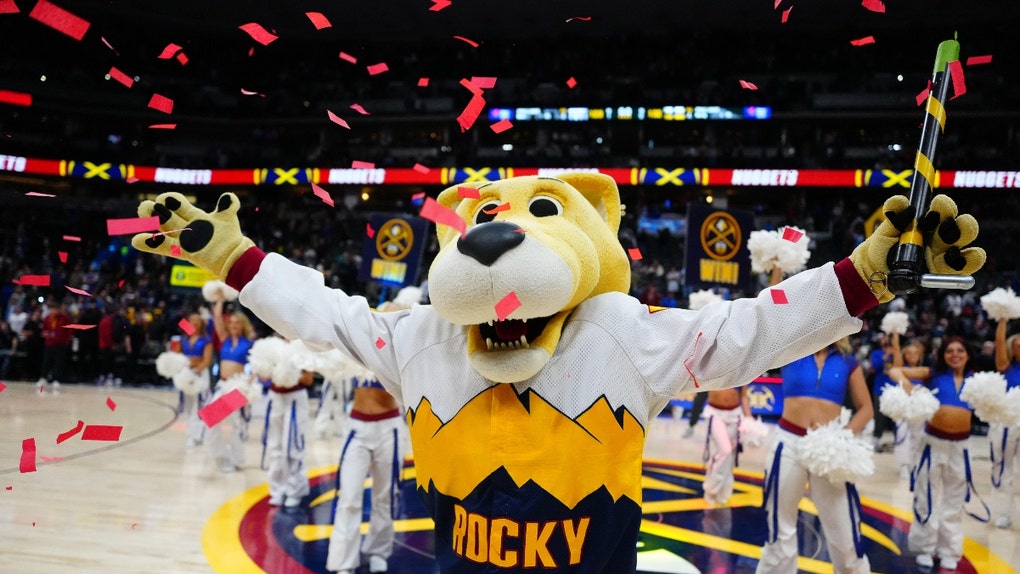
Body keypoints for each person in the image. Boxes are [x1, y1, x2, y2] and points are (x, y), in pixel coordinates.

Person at [132, 180, 983, 573]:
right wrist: (237, 260)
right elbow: (331, 316)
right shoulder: (427, 331)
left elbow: (751, 330)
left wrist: (867, 276)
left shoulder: (620, 331)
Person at [757, 336, 874, 574]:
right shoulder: (790, 349)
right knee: (780, 525)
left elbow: (866, 408)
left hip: (828, 447)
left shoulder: (847, 361)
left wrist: (843, 436)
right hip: (788, 441)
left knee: (843, 526)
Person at [888, 336, 978, 571]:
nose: (955, 354)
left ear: (967, 354)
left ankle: (948, 549)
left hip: (961, 447)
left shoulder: (976, 380)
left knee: (954, 501)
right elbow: (896, 371)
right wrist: (907, 385)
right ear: (944, 354)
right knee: (926, 495)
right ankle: (925, 548)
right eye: (950, 351)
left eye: (960, 350)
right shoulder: (933, 373)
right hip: (932, 443)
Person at [326, 368, 405, 574]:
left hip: (390, 426)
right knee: (349, 496)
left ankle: (377, 551)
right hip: (356, 426)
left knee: (385, 495)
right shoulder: (357, 340)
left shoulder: (397, 340)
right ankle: (344, 561)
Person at [257, 338, 315, 508]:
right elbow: (262, 374)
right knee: (275, 446)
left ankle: (294, 490)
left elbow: (308, 379)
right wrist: (270, 374)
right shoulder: (272, 346)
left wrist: (288, 376)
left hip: (295, 398)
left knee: (292, 446)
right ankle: (277, 489)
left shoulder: (304, 347)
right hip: (275, 397)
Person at [206, 295, 256, 473]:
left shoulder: (249, 343)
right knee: (210, 419)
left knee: (238, 425)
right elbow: (217, 318)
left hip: (238, 387)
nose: (233, 325)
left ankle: (237, 461)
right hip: (222, 385)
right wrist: (220, 297)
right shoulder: (225, 339)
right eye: (232, 322)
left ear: (242, 325)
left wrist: (249, 381)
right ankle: (222, 458)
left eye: (237, 322)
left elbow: (257, 364)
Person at [991, 318, 1020, 529]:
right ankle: (1004, 513)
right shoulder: (1007, 366)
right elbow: (1000, 343)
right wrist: (1003, 318)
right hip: (1008, 421)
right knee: (1003, 468)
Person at [701, 384, 752, 505]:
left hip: (735, 414)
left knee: (731, 456)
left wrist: (749, 418)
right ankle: (711, 489)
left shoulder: (742, 368)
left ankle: (724, 493)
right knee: (725, 450)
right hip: (715, 413)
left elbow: (743, 396)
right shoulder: (713, 365)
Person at [889, 334, 928, 481]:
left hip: (919, 409)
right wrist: (895, 333)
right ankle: (904, 465)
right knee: (902, 435)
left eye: (915, 353)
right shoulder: (900, 368)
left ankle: (914, 463)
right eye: (909, 353)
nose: (912, 355)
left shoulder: (924, 371)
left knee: (918, 436)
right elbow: (896, 348)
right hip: (903, 408)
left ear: (919, 355)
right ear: (904, 355)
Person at [179, 312, 214, 448]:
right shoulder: (184, 339)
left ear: (201, 324)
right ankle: (190, 434)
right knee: (187, 406)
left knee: (199, 405)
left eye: (197, 321)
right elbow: (180, 357)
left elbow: (206, 361)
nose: (195, 323)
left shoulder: (206, 340)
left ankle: (198, 436)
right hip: (186, 374)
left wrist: (195, 373)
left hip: (200, 374)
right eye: (192, 320)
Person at [867, 333, 895, 451]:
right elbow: (875, 367)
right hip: (879, 388)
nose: (884, 339)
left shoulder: (896, 352)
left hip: (894, 388)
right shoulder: (876, 353)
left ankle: (898, 440)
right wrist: (886, 356)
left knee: (895, 416)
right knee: (879, 416)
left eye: (886, 337)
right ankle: (876, 439)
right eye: (882, 338)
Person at [36, 299, 71, 393]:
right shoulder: (47, 318)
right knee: (46, 361)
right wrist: (44, 334)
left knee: (58, 363)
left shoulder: (65, 318)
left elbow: (69, 331)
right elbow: (44, 330)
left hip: (60, 344)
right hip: (49, 343)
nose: (54, 311)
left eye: (56, 309)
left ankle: (56, 380)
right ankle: (43, 378)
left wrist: (66, 342)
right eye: (52, 309)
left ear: (59, 309)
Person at [96, 304, 132, 387]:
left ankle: (105, 377)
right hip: (107, 345)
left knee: (106, 362)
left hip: (103, 344)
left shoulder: (103, 320)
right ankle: (105, 378)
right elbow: (108, 335)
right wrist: (112, 345)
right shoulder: (108, 321)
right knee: (108, 363)